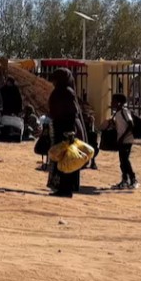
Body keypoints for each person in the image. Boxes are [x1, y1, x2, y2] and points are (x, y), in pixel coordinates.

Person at [47, 68, 88, 198]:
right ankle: (62, 187)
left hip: (66, 130)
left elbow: (71, 112)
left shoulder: (66, 92)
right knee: (61, 157)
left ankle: (65, 188)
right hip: (61, 127)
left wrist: (69, 132)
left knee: (66, 158)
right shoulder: (62, 91)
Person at [105, 94, 139, 190]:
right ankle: (125, 180)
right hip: (121, 140)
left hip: (127, 140)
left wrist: (123, 137)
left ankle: (133, 179)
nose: (112, 103)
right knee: (122, 161)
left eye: (114, 101)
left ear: (119, 102)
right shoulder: (117, 113)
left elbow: (130, 124)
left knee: (125, 160)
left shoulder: (125, 111)